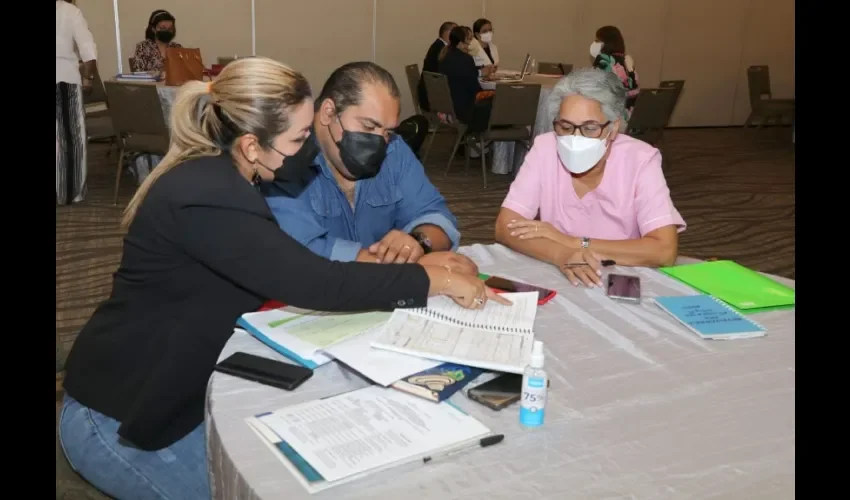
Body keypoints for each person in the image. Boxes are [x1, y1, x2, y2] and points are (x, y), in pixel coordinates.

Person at [59, 57, 506, 500]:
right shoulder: (207, 196)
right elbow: (317, 282)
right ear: (253, 146)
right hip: (118, 414)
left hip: (183, 388)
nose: (310, 149)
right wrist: (434, 281)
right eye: (300, 137)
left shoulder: (229, 179)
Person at [263, 62, 468, 269]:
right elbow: (299, 250)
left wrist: (418, 242)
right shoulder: (282, 159)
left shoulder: (394, 151)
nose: (380, 143)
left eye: (387, 132)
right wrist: (411, 268)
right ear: (328, 112)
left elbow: (438, 216)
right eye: (368, 126)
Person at [494, 68, 685, 287]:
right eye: (565, 127)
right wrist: (562, 254)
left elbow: (664, 250)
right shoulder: (545, 147)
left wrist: (574, 242)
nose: (575, 139)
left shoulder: (641, 159)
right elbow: (505, 227)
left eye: (590, 128)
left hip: (620, 279)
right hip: (558, 273)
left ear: (613, 129)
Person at [56, 0, 97, 205]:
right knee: (72, 138)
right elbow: (87, 48)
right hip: (65, 81)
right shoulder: (70, 11)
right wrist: (88, 80)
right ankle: (71, 192)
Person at [439, 26, 494, 135]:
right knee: (501, 103)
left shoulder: (445, 56)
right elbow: (475, 89)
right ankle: (501, 149)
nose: (471, 42)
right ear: (461, 42)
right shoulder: (465, 59)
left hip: (450, 107)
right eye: (469, 39)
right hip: (465, 111)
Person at [590, 25, 639, 120]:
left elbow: (593, 88)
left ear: (606, 42)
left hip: (611, 117)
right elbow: (634, 87)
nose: (594, 43)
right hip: (630, 116)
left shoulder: (602, 60)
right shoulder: (627, 59)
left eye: (597, 40)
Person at [418, 21, 456, 112]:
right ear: (448, 33)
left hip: (428, 93)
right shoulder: (442, 49)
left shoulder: (438, 45)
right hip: (433, 97)